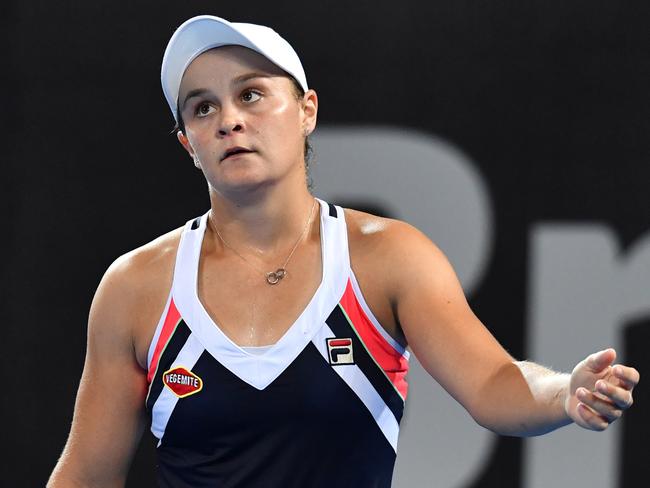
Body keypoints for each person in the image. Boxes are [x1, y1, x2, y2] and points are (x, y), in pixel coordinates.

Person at [47, 14, 640, 488]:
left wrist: (565, 393)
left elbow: (494, 385)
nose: (229, 119)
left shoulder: (387, 258)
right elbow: (88, 476)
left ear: (307, 110)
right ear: (187, 144)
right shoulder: (135, 287)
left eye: (251, 95)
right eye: (203, 108)